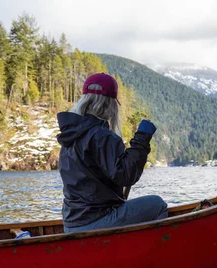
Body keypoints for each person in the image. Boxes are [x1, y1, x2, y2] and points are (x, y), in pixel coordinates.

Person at [56, 73, 168, 233]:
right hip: (96, 220)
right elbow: (126, 175)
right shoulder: (101, 135)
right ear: (110, 104)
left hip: (72, 224)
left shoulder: (70, 136)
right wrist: (141, 139)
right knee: (157, 205)